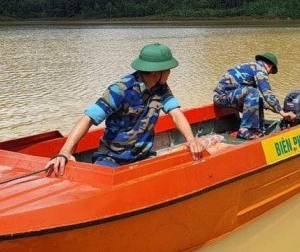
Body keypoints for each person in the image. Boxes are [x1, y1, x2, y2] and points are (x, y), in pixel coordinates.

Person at [46, 43, 203, 176]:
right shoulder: (121, 90)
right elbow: (89, 118)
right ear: (157, 72)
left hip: (143, 157)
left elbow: (176, 113)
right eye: (168, 69)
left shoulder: (161, 88)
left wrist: (191, 140)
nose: (169, 73)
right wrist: (65, 151)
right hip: (111, 159)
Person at [213, 53, 296, 140]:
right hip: (222, 97)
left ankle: (258, 129)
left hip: (227, 96)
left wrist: (278, 109)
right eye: (270, 72)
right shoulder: (260, 70)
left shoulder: (252, 67)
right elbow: (267, 93)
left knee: (257, 98)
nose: (268, 74)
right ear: (270, 66)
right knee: (253, 92)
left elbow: (259, 100)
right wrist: (282, 112)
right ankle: (244, 130)